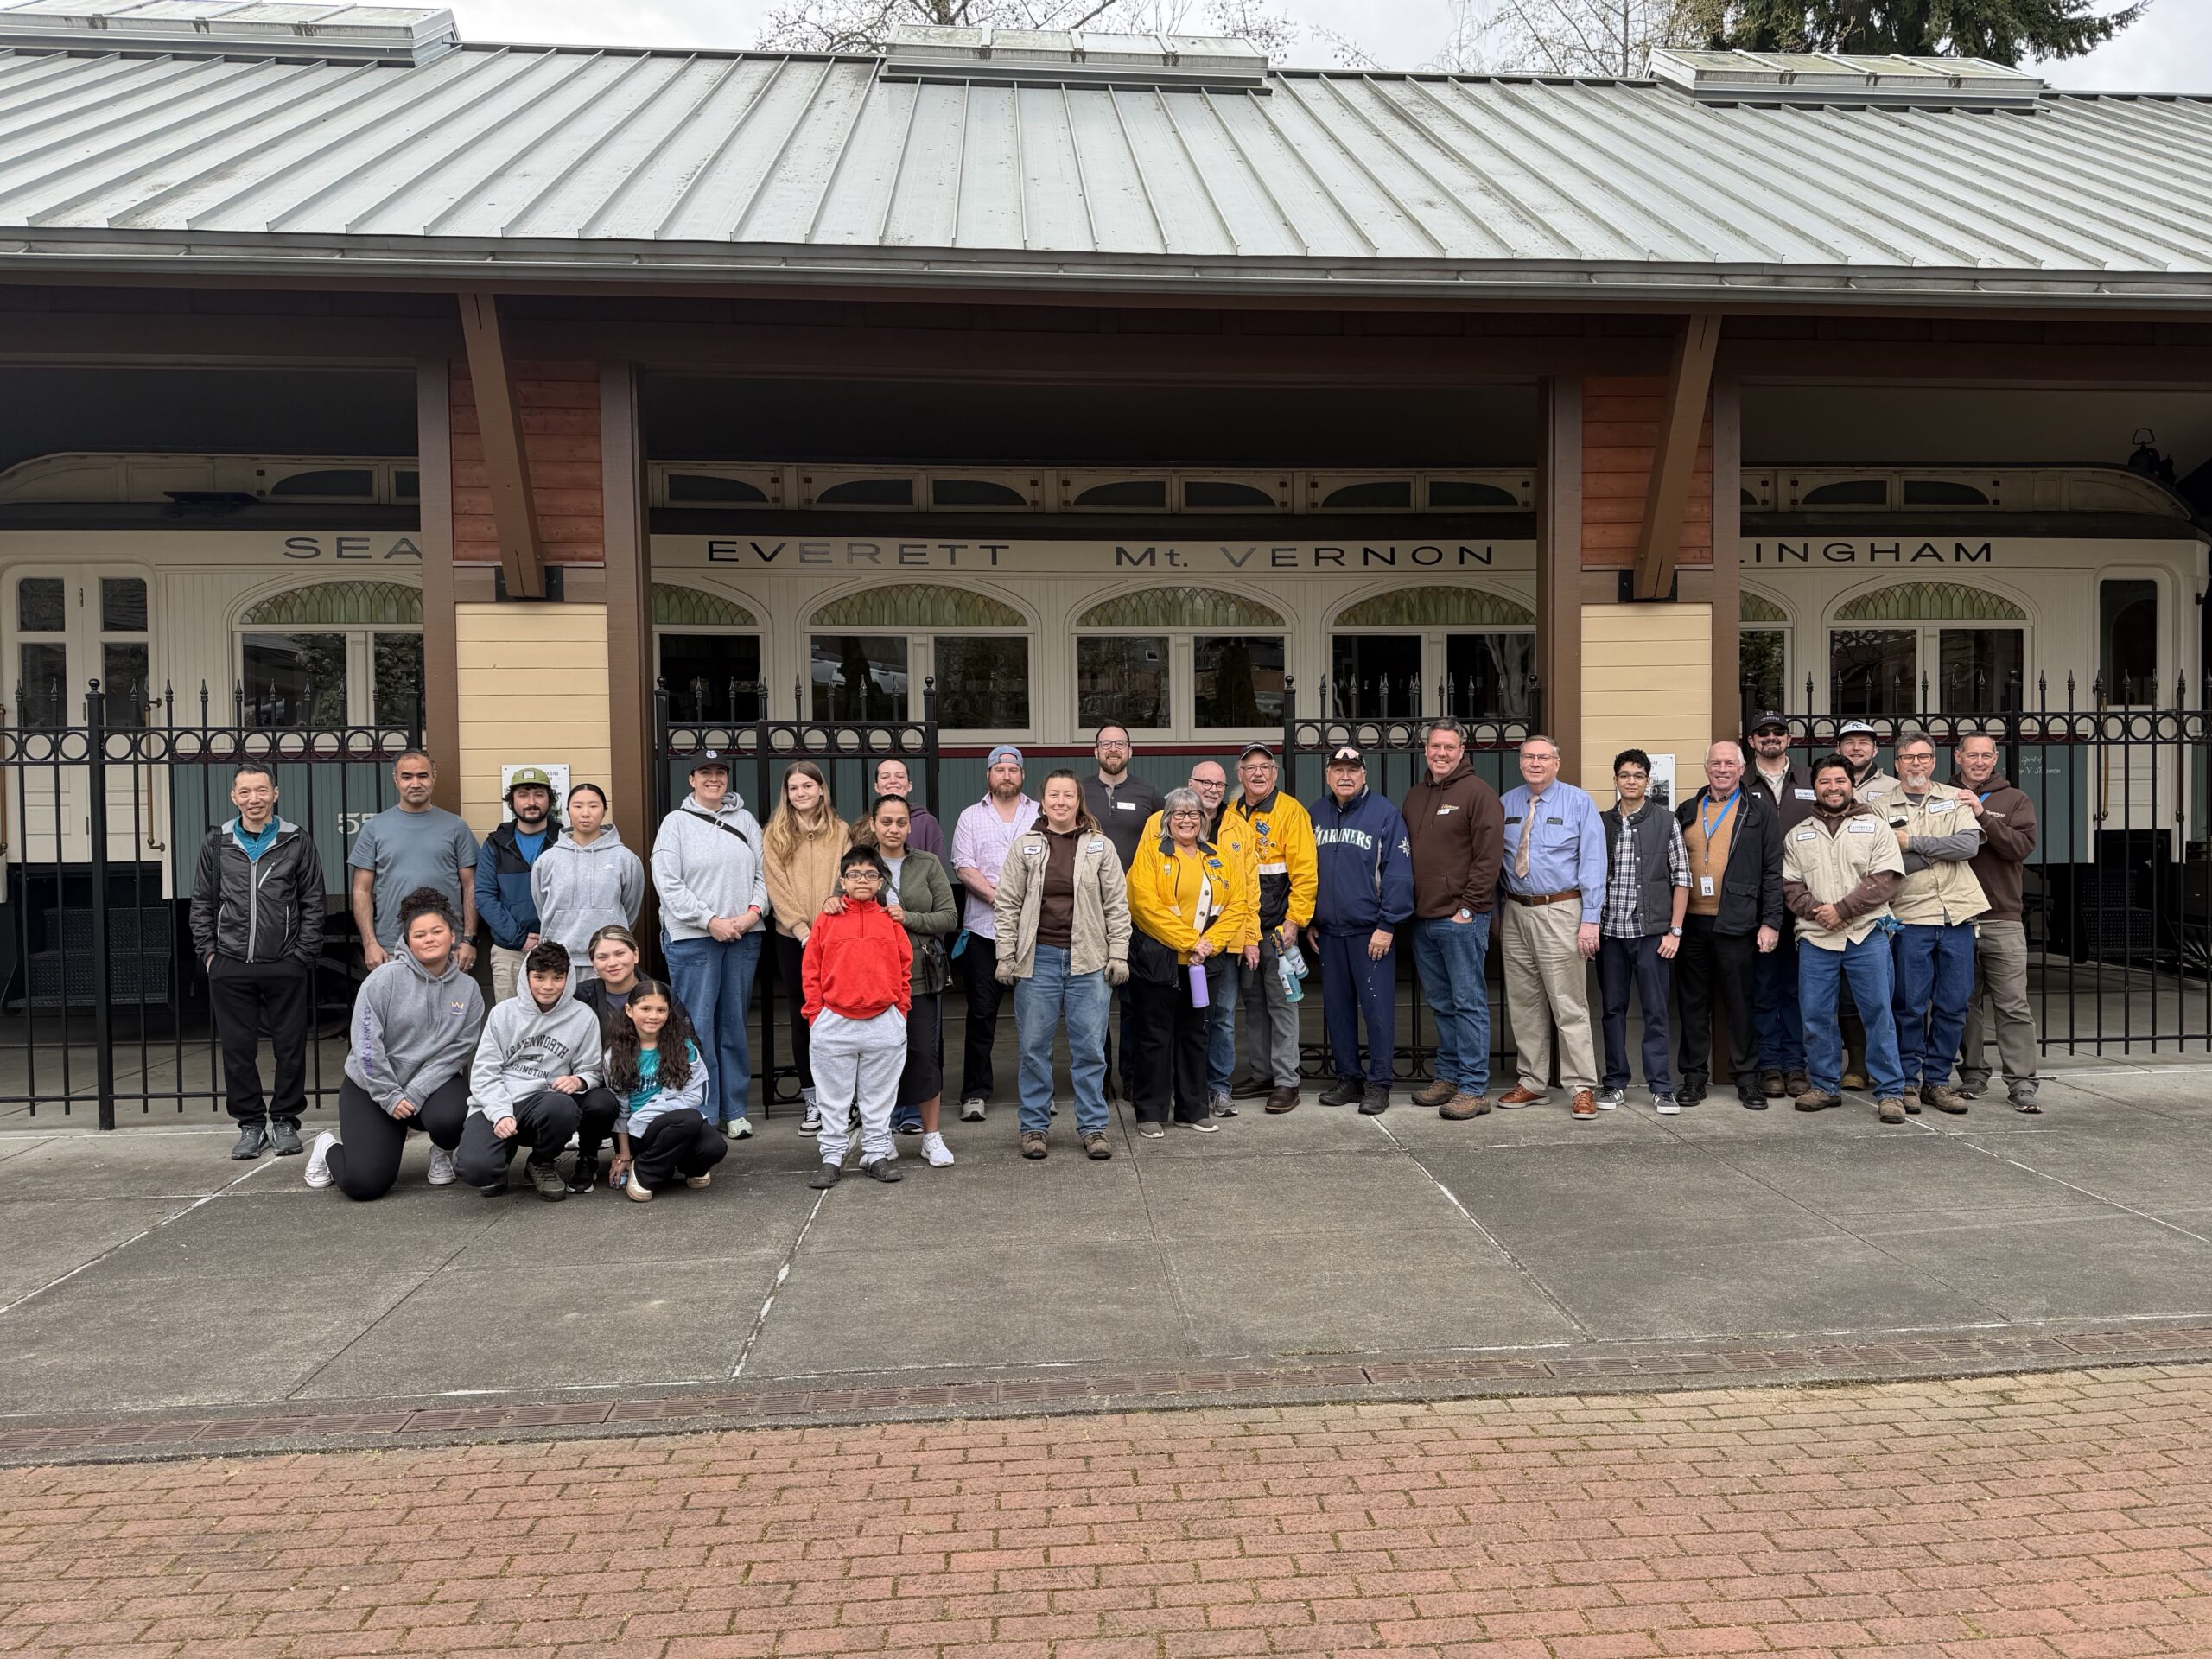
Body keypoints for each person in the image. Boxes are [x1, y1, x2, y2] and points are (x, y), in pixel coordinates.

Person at [303, 887, 484, 1200]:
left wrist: (415, 1091)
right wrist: (388, 1095)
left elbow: (459, 1050)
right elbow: (366, 1047)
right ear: (408, 941)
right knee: (364, 1185)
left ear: (453, 935)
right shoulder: (384, 980)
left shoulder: (468, 990)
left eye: (437, 931)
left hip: (428, 1087)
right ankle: (327, 1148)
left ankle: (442, 1151)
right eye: (420, 934)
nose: (429, 939)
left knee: (454, 1116)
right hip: (373, 1088)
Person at [190, 760, 324, 1160]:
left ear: (275, 794)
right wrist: (209, 952)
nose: (254, 799)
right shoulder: (217, 843)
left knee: (290, 1046)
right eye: (245, 792)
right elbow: (201, 901)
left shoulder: (296, 840)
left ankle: (285, 1120)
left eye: (262, 791)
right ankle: (250, 1124)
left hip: (284, 961)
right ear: (234, 797)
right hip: (229, 961)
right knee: (237, 1048)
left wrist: (301, 955)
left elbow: (313, 901)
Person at [994, 771, 1130, 1160]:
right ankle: (1034, 1126)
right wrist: (1006, 955)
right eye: (1053, 794)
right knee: (1034, 1047)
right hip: (1038, 961)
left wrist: (1118, 953)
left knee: (1089, 1049)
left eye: (1068, 795)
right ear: (1044, 801)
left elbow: (1117, 905)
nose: (1061, 801)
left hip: (1089, 961)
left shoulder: (1100, 847)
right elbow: (1007, 904)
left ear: (1078, 801)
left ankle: (1094, 1127)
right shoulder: (1025, 847)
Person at [1866, 731, 1986, 1115]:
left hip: (1958, 916)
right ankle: (1906, 1082)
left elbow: (1968, 846)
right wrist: (1940, 849)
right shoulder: (1879, 809)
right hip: (1910, 916)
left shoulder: (1955, 799)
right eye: (1908, 757)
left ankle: (1937, 1081)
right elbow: (1885, 863)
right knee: (1909, 1005)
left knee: (1954, 1005)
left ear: (1935, 762)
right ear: (1896, 763)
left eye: (1923, 757)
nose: (1916, 764)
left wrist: (1912, 842)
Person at [1783, 756, 1909, 1122]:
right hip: (1816, 938)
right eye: (1825, 781)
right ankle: (1824, 1085)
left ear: (1850, 784)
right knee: (1816, 1016)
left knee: (1878, 1014)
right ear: (1816, 787)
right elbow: (1791, 886)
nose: (1833, 787)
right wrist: (1820, 911)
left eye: (1840, 780)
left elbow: (1887, 879)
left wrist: (1843, 909)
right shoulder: (1798, 834)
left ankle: (1890, 1091)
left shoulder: (1875, 827)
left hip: (1866, 936)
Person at [651, 751, 767, 1137]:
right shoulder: (676, 824)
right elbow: (667, 883)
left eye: (720, 772)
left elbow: (766, 875)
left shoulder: (746, 821)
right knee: (696, 1028)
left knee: (732, 1025)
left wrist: (752, 915)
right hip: (694, 939)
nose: (713, 779)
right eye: (705, 772)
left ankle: (734, 1111)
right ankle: (700, 1109)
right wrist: (709, 921)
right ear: (692, 779)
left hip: (743, 936)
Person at [1126, 786, 1251, 1136]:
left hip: (1203, 964)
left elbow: (1236, 905)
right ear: (1167, 820)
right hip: (1158, 962)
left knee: (1196, 1035)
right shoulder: (1152, 852)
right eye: (1179, 814)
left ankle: (1192, 1109)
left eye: (1194, 814)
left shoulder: (1218, 856)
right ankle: (1150, 1111)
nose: (1187, 820)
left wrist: (1209, 945)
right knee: (1154, 1037)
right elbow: (1142, 905)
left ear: (1204, 820)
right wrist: (1191, 942)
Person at [1495, 734, 1607, 1120]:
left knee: (1568, 1003)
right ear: (1520, 762)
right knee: (1524, 1003)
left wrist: (1590, 920)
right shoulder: (1506, 803)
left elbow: (1594, 863)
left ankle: (1581, 1086)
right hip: (1515, 910)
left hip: (1561, 910)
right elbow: (1497, 862)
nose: (1535, 763)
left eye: (1543, 757)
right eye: (1529, 757)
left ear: (1557, 763)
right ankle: (1532, 1081)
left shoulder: (1578, 802)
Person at [1402, 719, 1505, 1121]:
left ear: (1462, 751)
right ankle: (1447, 1077)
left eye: (1449, 747)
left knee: (1468, 1003)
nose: (1441, 753)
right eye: (1435, 747)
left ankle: (1474, 1087)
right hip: (1423, 919)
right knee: (1442, 1004)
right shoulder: (1414, 796)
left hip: (1461, 919)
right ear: (1425, 750)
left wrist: (1469, 907)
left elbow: (1489, 857)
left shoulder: (1478, 794)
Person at [1674, 740, 1785, 1111]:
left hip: (1738, 923)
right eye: (1715, 763)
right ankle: (1693, 1078)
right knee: (1692, 1004)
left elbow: (1773, 870)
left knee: (1741, 1003)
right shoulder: (1688, 810)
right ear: (1706, 768)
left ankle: (1748, 1079)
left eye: (1729, 763)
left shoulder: (1759, 809)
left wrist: (1771, 922)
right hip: (1690, 923)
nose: (1722, 769)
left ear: (1742, 769)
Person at [853, 794, 959, 1164]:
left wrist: (908, 917)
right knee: (877, 1060)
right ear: (873, 823)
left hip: (919, 977)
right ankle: (881, 1138)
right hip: (873, 981)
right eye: (886, 821)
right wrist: (833, 903)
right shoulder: (859, 863)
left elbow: (949, 917)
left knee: (924, 1055)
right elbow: (845, 909)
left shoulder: (928, 863)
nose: (893, 828)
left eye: (900, 822)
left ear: (910, 826)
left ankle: (931, 1136)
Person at [454, 940, 604, 1202]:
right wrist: (500, 1114)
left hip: (543, 1102)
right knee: (476, 1171)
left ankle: (541, 1162)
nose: (548, 986)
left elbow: (591, 1069)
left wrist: (579, 1081)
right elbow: (484, 1072)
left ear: (568, 979)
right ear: (526, 976)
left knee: (563, 1109)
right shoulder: (503, 1013)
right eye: (539, 977)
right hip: (498, 1102)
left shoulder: (583, 1017)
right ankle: (498, 1160)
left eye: (557, 978)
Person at [1309, 747, 1414, 1116]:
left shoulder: (1385, 813)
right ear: (1327, 775)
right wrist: (1309, 920)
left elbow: (1399, 874)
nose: (1345, 777)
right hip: (1329, 933)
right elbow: (1305, 872)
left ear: (1364, 775)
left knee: (1377, 1010)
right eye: (1338, 770)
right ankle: (1349, 1078)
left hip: (1371, 932)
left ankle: (1380, 1083)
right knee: (1337, 1010)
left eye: (1353, 770)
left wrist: (1387, 925)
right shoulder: (1316, 814)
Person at [804, 847, 912, 1189]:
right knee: (832, 1098)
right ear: (843, 881)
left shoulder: (890, 921)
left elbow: (905, 967)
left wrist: (900, 1010)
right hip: (834, 1020)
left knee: (879, 1096)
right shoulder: (827, 919)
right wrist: (815, 1015)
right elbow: (811, 970)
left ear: (880, 882)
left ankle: (876, 1154)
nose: (862, 880)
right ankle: (832, 1158)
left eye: (869, 875)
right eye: (854, 875)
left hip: (884, 1020)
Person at [1597, 749, 1691, 1115]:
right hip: (1610, 934)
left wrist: (1675, 931)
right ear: (1616, 779)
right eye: (1625, 775)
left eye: (1638, 775)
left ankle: (1661, 1087)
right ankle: (1615, 1083)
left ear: (1648, 780)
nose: (1631, 780)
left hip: (1652, 933)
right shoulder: (1603, 822)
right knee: (1612, 1010)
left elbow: (1682, 879)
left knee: (1655, 1011)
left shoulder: (1666, 822)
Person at [1953, 733, 2042, 1112]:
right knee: (1963, 1004)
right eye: (1972, 755)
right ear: (1958, 757)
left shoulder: (2014, 799)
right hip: (1955, 918)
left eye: (1986, 755)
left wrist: (1981, 813)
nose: (1979, 761)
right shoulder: (1943, 795)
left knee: (2013, 1005)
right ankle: (1973, 1073)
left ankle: (2021, 1081)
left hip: (2001, 918)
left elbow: (2020, 848)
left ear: (1995, 759)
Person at [1226, 744, 1317, 1116]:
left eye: (1265, 767)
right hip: (1244, 930)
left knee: (1282, 1004)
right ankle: (1261, 1073)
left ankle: (1285, 1081)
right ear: (1240, 774)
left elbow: (1305, 874)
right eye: (1251, 768)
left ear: (1275, 774)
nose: (1258, 774)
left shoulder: (1291, 811)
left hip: (1278, 929)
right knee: (1253, 1004)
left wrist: (1295, 921)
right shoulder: (1231, 813)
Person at [762, 760, 851, 1135]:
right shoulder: (776, 833)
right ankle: (813, 1101)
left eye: (807, 786)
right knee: (804, 1019)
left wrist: (828, 926)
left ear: (821, 790)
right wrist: (801, 929)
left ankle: (843, 1103)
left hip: (835, 938)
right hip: (793, 939)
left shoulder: (840, 830)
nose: (801, 793)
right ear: (787, 793)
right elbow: (775, 885)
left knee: (841, 1017)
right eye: (794, 788)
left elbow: (845, 878)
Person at [950, 745, 1039, 1122]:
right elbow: (963, 867)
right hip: (985, 932)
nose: (1006, 775)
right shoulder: (971, 817)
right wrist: (1003, 899)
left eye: (1012, 769)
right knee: (982, 1014)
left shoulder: (1041, 813)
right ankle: (974, 1092)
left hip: (1035, 931)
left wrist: (1025, 905)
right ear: (988, 775)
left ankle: (1039, 1092)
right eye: (999, 769)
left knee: (1037, 1016)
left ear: (1022, 775)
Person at [349, 750, 479, 972]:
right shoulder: (374, 828)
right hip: (391, 946)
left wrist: (468, 940)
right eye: (407, 776)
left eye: (423, 776)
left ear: (434, 777)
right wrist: (370, 943)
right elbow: (361, 890)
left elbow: (471, 886)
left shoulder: (456, 827)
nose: (415, 783)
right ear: (396, 780)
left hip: (448, 946)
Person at [1745, 711, 1815, 1098]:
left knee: (1798, 988)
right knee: (1764, 986)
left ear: (1788, 739)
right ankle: (1770, 1064)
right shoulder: (1740, 781)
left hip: (1804, 901)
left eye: (1778, 732)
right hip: (1757, 905)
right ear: (1752, 741)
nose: (1771, 737)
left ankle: (1796, 1064)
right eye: (1763, 733)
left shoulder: (1810, 780)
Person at [607, 978, 724, 1203]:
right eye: (646, 1009)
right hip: (641, 1128)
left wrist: (663, 1107)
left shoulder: (683, 1046)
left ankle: (690, 1168)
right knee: (689, 1119)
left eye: (661, 1010)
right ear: (630, 1010)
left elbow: (694, 1095)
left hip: (679, 1120)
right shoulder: (616, 1053)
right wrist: (624, 1154)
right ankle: (643, 1172)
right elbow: (620, 1107)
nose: (654, 1016)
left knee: (715, 1145)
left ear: (669, 1012)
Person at [530, 783, 644, 983]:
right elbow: (543, 906)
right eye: (578, 806)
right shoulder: (547, 861)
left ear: (605, 810)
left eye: (593, 806)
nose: (585, 813)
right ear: (567, 811)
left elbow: (630, 909)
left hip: (609, 961)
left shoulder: (625, 859)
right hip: (559, 960)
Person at [474, 767, 556, 1005]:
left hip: (557, 947)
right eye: (523, 795)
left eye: (539, 794)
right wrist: (520, 938)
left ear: (549, 800)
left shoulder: (565, 841)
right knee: (511, 1024)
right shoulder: (495, 845)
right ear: (512, 801)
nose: (531, 802)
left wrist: (552, 937)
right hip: (510, 951)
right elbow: (484, 897)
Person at [1082, 723, 1166, 868]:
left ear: (1130, 752)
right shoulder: (1079, 791)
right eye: (1106, 744)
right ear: (1096, 752)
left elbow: (1169, 836)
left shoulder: (1149, 793)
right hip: (1089, 886)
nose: (1113, 749)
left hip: (1136, 885)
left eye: (1120, 744)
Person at [874, 757, 943, 859]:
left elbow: (937, 869)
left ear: (910, 786)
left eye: (900, 776)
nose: (892, 781)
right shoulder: (863, 826)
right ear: (876, 787)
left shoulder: (926, 823)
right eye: (885, 777)